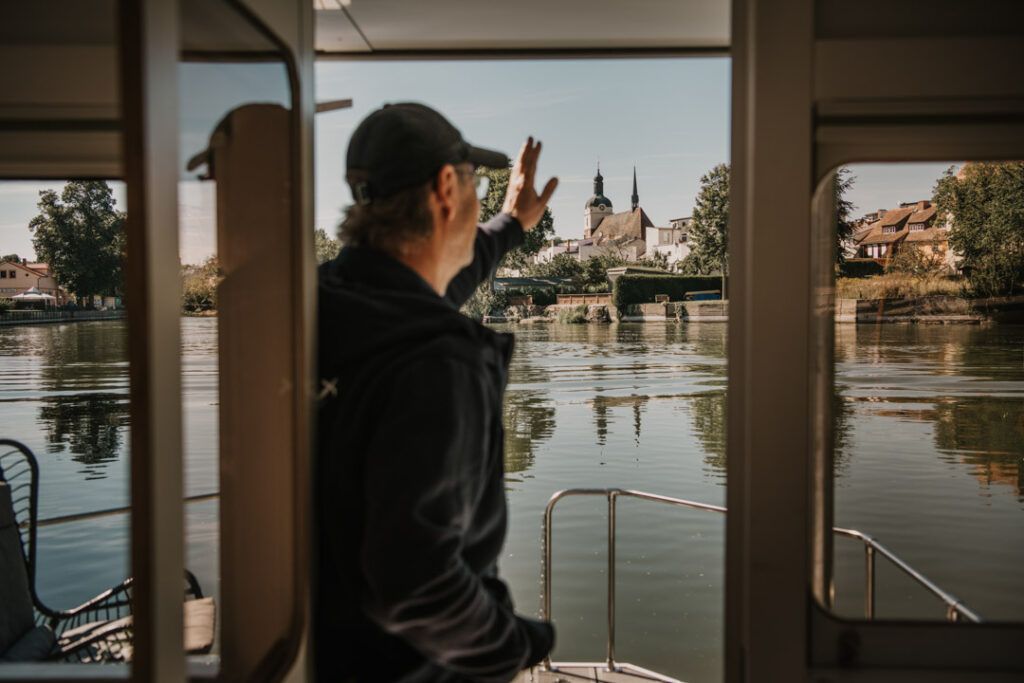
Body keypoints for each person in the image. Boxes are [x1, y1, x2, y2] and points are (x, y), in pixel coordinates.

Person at [315, 102, 559, 682]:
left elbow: (421, 288)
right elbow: (415, 585)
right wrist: (520, 642)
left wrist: (511, 224)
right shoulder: (439, 359)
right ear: (447, 187)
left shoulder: (316, 303)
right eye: (474, 181)